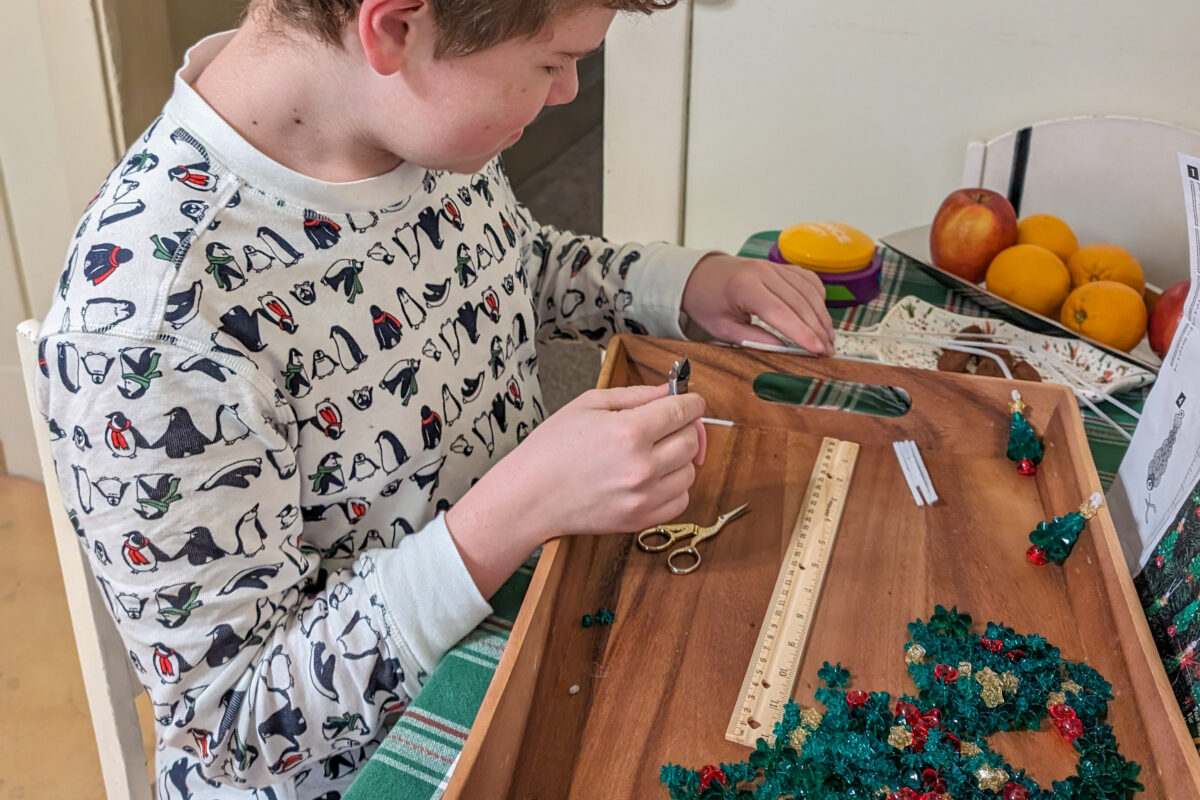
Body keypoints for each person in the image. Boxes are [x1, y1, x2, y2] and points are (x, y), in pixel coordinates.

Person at [35, 0, 833, 795]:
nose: (568, 93)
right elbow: (239, 726)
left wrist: (681, 283)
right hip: (369, 764)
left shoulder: (404, 123)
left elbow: (505, 266)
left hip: (522, 627)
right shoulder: (150, 323)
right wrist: (511, 514)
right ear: (395, 29)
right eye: (551, 63)